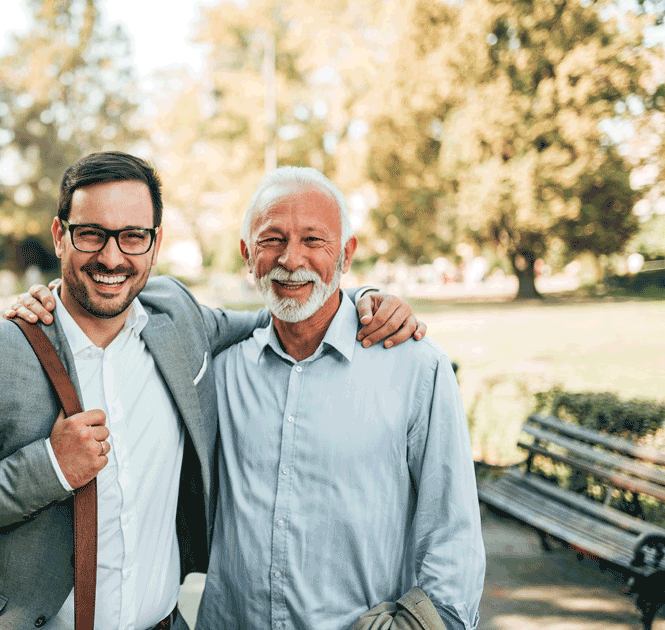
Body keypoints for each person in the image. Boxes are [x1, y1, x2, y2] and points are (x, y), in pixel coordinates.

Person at [0, 151, 424, 630]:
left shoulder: (178, 317)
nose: (111, 257)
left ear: (154, 242)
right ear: (60, 236)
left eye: (133, 236)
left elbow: (282, 309)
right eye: (90, 234)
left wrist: (364, 300)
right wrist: (49, 469)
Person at [192, 167, 485, 630]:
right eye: (272, 240)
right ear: (248, 256)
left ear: (346, 254)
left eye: (314, 240)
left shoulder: (415, 368)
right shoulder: (222, 373)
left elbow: (454, 534)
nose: (292, 259)